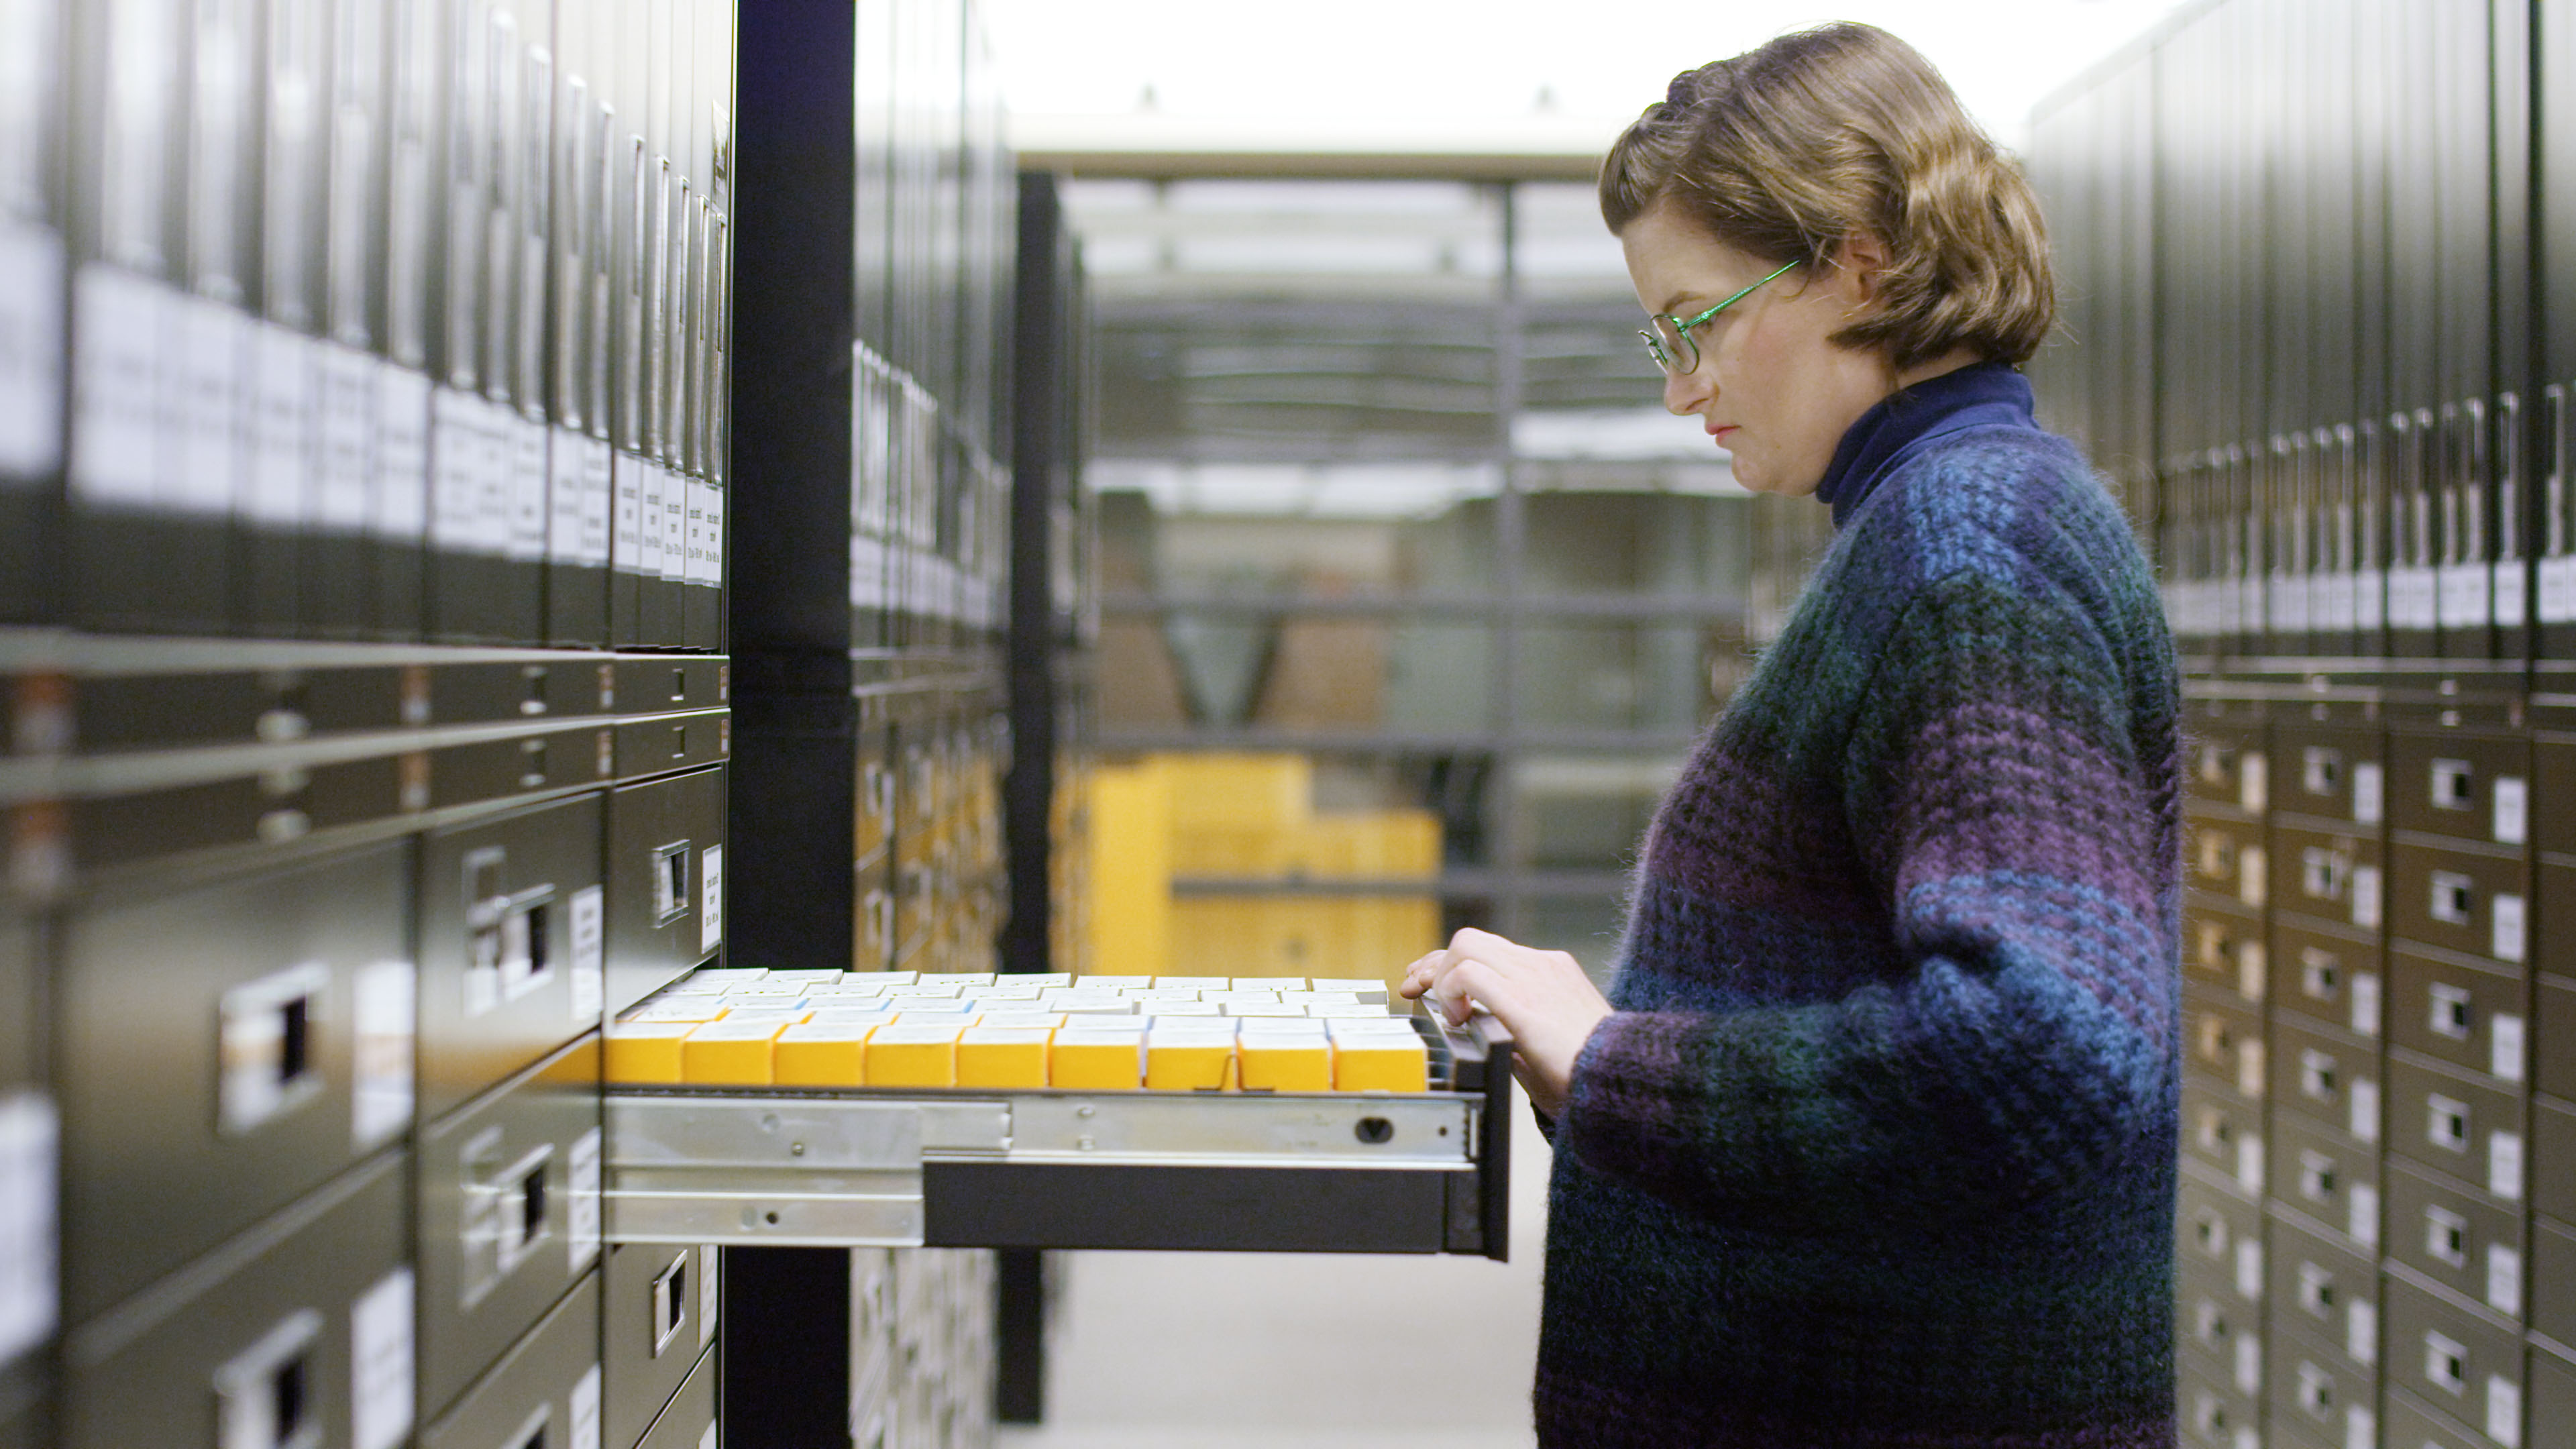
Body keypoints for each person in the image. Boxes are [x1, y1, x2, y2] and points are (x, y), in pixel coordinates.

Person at [1400, 22, 2181, 1448]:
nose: (1680, 387)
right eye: (1661, 339)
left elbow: (2045, 1054)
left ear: (1858, 264)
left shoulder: (1969, 548)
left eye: (1696, 322)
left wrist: (1621, 1062)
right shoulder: (1933, 524)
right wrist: (1600, 1064)